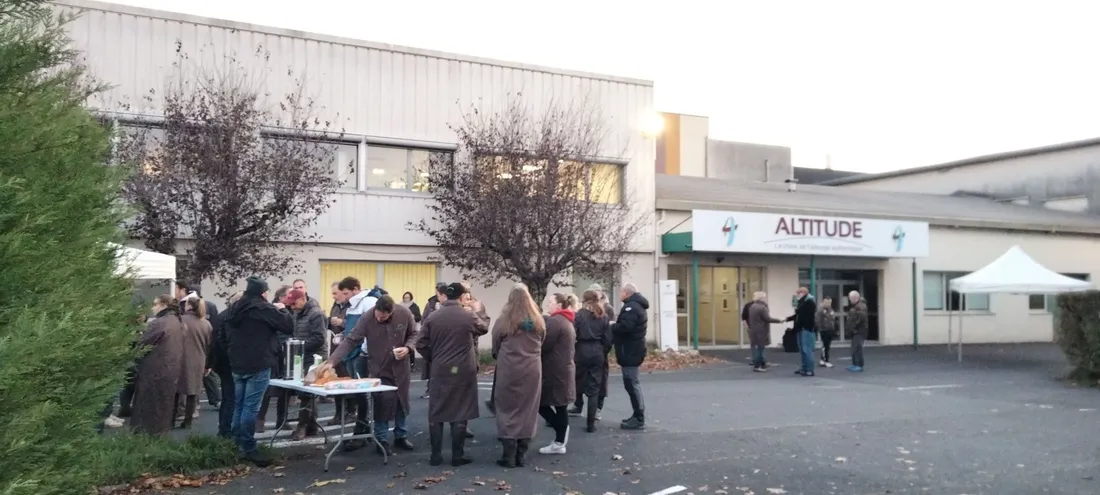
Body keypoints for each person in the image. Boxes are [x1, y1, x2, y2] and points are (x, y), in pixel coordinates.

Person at [319, 295, 418, 454]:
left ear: (392, 312)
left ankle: (401, 435)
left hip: (400, 366)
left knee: (402, 400)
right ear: (375, 309)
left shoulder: (404, 313)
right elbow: (351, 340)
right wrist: (332, 361)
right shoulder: (367, 318)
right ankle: (381, 439)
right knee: (381, 402)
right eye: (378, 316)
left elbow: (414, 334)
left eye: (384, 317)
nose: (379, 319)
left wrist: (407, 348)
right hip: (379, 367)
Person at [415, 283, 489, 466]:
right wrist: (479, 311)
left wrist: (433, 357)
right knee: (460, 410)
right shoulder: (468, 315)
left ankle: (436, 456)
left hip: (440, 368)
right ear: (462, 296)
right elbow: (484, 328)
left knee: (437, 411)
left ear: (446, 295)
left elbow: (420, 343)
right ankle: (457, 455)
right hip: (463, 369)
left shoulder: (433, 317)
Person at [224, 276, 295, 467]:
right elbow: (288, 327)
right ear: (263, 292)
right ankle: (248, 447)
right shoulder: (264, 309)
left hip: (237, 363)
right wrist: (283, 310)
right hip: (258, 363)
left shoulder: (235, 308)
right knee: (250, 408)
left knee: (239, 406)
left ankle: (238, 443)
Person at [491, 284, 545, 468]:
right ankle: (521, 453)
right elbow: (542, 341)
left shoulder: (503, 321)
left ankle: (508, 454)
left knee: (506, 408)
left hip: (509, 369)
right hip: (532, 370)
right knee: (528, 408)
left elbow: (496, 346)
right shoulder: (539, 321)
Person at [130, 295, 185, 436]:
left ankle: (144, 437)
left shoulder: (160, 323)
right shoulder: (177, 321)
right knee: (163, 407)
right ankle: (159, 435)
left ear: (164, 305)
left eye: (155, 304)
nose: (152, 307)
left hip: (154, 370)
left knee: (148, 408)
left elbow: (142, 344)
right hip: (170, 369)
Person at [539, 293, 577, 455]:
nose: (548, 304)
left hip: (555, 370)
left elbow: (543, 344)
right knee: (559, 406)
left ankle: (560, 439)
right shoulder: (565, 321)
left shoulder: (555, 322)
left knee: (543, 404)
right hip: (562, 369)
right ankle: (560, 438)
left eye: (550, 302)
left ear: (559, 306)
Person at [286, 288, 327, 440]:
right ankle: (311, 425)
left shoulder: (316, 314)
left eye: (294, 303)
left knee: (306, 393)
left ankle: (303, 425)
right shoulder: (298, 313)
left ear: (303, 299)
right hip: (303, 355)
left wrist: (299, 345)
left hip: (315, 357)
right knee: (308, 393)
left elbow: (319, 338)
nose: (292, 307)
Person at [569, 290, 612, 431]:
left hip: (581, 350)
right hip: (597, 351)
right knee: (594, 389)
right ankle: (590, 424)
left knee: (578, 381)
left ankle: (577, 404)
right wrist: (602, 351)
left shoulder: (580, 315)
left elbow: (572, 334)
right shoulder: (603, 316)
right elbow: (607, 340)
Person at [612, 284, 649, 430]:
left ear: (627, 293)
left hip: (630, 350)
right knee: (631, 383)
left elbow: (625, 327)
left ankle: (639, 417)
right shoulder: (635, 306)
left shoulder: (631, 308)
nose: (619, 293)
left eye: (621, 291)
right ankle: (636, 414)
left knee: (632, 383)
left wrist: (612, 326)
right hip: (632, 349)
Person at [207, 291, 242, 438]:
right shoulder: (231, 318)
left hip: (221, 362)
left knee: (229, 398)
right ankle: (226, 430)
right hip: (229, 363)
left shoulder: (221, 316)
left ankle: (224, 428)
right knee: (231, 398)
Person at [176, 295, 212, 429]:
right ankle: (188, 420)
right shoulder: (206, 324)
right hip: (199, 360)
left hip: (180, 358)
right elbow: (209, 344)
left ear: (189, 306)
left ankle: (172, 418)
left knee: (177, 391)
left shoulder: (180, 321)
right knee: (193, 391)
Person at [329, 278, 358, 425]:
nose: (334, 296)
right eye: (333, 294)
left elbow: (356, 325)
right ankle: (338, 413)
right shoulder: (335, 306)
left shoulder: (351, 306)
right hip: (335, 347)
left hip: (347, 348)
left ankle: (351, 412)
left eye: (336, 293)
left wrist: (342, 323)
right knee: (337, 382)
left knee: (349, 381)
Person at [419, 283, 447, 399]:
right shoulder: (430, 304)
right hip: (432, 339)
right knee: (432, 366)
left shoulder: (449, 303)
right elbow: (424, 320)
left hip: (444, 340)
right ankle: (430, 389)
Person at [785, 286, 818, 377]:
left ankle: (809, 369)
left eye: (798, 293)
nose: (797, 295)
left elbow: (803, 315)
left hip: (806, 328)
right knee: (803, 350)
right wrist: (788, 319)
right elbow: (797, 315)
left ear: (803, 293)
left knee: (807, 349)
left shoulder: (809, 302)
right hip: (800, 328)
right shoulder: (802, 302)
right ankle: (804, 367)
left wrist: (796, 307)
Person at [747, 291, 782, 372]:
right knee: (760, 349)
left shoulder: (752, 306)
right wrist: (779, 320)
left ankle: (762, 363)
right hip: (761, 330)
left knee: (758, 348)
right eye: (764, 297)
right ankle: (757, 366)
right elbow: (767, 319)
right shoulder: (762, 308)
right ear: (761, 298)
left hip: (754, 329)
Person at [847, 291, 869, 372]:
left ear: (854, 298)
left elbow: (861, 319)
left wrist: (854, 327)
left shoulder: (861, 306)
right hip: (855, 331)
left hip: (859, 331)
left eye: (850, 298)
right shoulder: (857, 306)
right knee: (854, 348)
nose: (849, 300)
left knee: (857, 348)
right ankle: (855, 364)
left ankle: (859, 365)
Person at [815, 296, 837, 368]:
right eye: (827, 302)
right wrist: (821, 329)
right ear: (824, 302)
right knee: (825, 346)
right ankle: (826, 360)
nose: (829, 304)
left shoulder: (831, 310)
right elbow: (818, 321)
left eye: (830, 302)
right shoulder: (821, 310)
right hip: (824, 330)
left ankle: (822, 359)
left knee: (827, 346)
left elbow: (833, 319)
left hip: (830, 330)